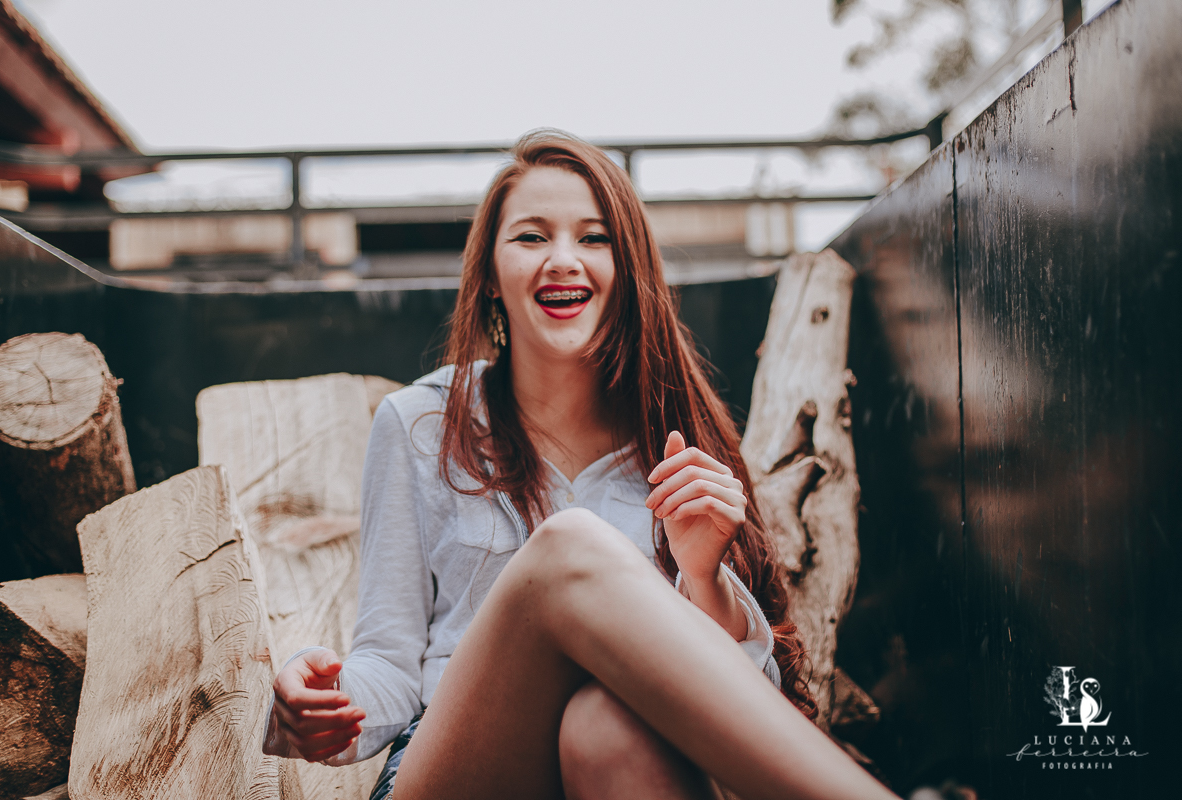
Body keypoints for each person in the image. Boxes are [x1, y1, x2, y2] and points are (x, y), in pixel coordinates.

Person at [263, 130, 896, 800]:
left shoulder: (677, 441)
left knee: (607, 724)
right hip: (457, 768)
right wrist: (325, 695)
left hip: (627, 764)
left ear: (628, 272)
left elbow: (750, 709)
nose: (563, 260)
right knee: (569, 544)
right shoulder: (419, 423)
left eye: (594, 238)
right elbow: (389, 663)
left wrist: (704, 576)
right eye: (532, 238)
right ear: (489, 277)